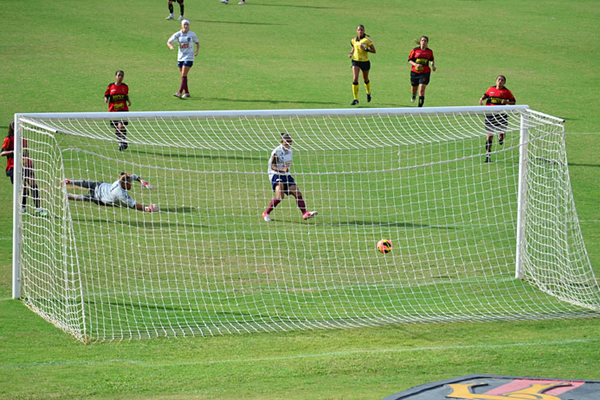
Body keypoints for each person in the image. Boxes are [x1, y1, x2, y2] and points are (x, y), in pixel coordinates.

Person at [262, 133, 317, 222]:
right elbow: (272, 166)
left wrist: (285, 171)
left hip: (286, 175)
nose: (288, 143)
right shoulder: (277, 152)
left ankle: (305, 213)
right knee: (280, 196)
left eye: (290, 141)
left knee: (297, 193)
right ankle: (266, 213)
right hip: (276, 175)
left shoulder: (290, 151)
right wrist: (283, 170)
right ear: (282, 141)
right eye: (286, 142)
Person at [1, 121, 47, 216]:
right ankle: (23, 208)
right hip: (13, 166)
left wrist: (29, 164)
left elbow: (25, 153)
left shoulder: (23, 139)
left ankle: (38, 208)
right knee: (23, 188)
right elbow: (2, 153)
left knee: (33, 184)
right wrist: (14, 151)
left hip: (25, 166)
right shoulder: (9, 139)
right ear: (13, 127)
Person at [64, 172, 159, 212]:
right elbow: (134, 205)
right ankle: (69, 196)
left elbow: (134, 176)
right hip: (100, 198)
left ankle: (70, 182)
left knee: (88, 183)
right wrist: (148, 208)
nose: (131, 184)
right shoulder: (121, 194)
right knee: (85, 198)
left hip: (100, 185)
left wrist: (143, 182)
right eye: (129, 183)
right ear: (124, 184)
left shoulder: (120, 180)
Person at [479, 75, 516, 163]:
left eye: (502, 80)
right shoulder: (491, 89)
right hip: (489, 115)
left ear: (504, 82)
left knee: (502, 133)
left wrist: (506, 102)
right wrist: (481, 99)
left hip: (501, 115)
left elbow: (514, 102)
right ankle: (488, 156)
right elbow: (485, 95)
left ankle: (501, 138)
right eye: (499, 79)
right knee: (489, 135)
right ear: (496, 81)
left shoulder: (507, 92)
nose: (500, 81)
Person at [167, 19, 200, 99]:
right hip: (180, 57)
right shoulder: (178, 34)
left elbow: (197, 42)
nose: (186, 26)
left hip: (189, 56)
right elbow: (169, 41)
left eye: (187, 25)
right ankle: (187, 92)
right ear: (182, 26)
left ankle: (179, 92)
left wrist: (196, 51)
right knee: (183, 75)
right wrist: (171, 46)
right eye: (184, 25)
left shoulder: (192, 34)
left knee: (184, 74)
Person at [348, 24, 376, 106]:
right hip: (356, 61)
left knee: (365, 79)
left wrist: (366, 49)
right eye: (359, 30)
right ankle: (355, 99)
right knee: (355, 78)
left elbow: (374, 50)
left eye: (361, 30)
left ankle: (368, 92)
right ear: (356, 31)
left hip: (365, 62)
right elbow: (354, 47)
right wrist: (351, 53)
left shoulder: (367, 40)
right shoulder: (353, 40)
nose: (360, 31)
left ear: (364, 31)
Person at [104, 70, 131, 151]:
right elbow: (106, 94)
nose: (120, 77)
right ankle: (121, 143)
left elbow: (126, 95)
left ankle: (124, 141)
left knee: (121, 126)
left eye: (122, 75)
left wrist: (129, 101)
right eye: (119, 75)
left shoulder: (125, 87)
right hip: (113, 111)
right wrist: (106, 98)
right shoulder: (110, 86)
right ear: (115, 76)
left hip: (123, 110)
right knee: (116, 128)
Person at [407, 36, 436, 107]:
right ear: (420, 42)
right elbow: (409, 60)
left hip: (425, 73)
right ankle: (414, 95)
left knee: (422, 89)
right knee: (414, 89)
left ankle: (420, 108)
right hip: (415, 72)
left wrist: (433, 66)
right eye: (422, 40)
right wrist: (415, 64)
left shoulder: (429, 52)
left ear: (427, 43)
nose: (423, 42)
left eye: (425, 41)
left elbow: (431, 59)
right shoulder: (415, 50)